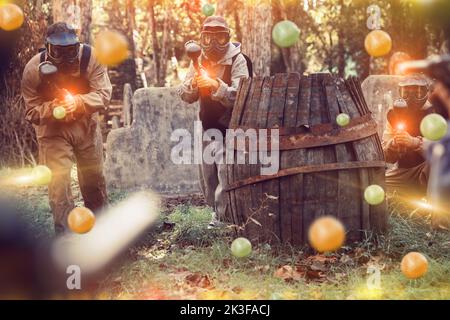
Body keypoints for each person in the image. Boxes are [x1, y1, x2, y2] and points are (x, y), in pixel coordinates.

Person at [21, 22, 112, 235]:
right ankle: (65, 236)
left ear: (77, 47)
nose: (65, 56)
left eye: (70, 50)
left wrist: (78, 103)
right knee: (59, 183)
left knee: (93, 179)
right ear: (48, 47)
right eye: (58, 51)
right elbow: (31, 112)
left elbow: (104, 95)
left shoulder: (91, 59)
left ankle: (102, 232)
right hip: (52, 131)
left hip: (85, 125)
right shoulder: (33, 69)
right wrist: (53, 108)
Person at [178, 16, 251, 224]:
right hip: (208, 125)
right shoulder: (199, 60)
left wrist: (215, 85)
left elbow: (241, 95)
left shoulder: (238, 60)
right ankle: (216, 213)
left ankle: (225, 217)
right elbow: (185, 95)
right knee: (208, 175)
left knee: (226, 172)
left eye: (220, 38)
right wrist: (193, 83)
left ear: (227, 37)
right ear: (202, 38)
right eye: (208, 38)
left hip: (231, 126)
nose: (214, 44)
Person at [382, 74, 435, 198]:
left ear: (426, 91)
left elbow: (443, 149)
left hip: (428, 170)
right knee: (376, 184)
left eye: (417, 92)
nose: (411, 98)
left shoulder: (436, 112)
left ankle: (435, 207)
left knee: (438, 164)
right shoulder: (394, 114)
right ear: (399, 92)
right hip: (403, 173)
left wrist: (415, 143)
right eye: (406, 92)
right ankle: (408, 200)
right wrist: (392, 146)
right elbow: (385, 156)